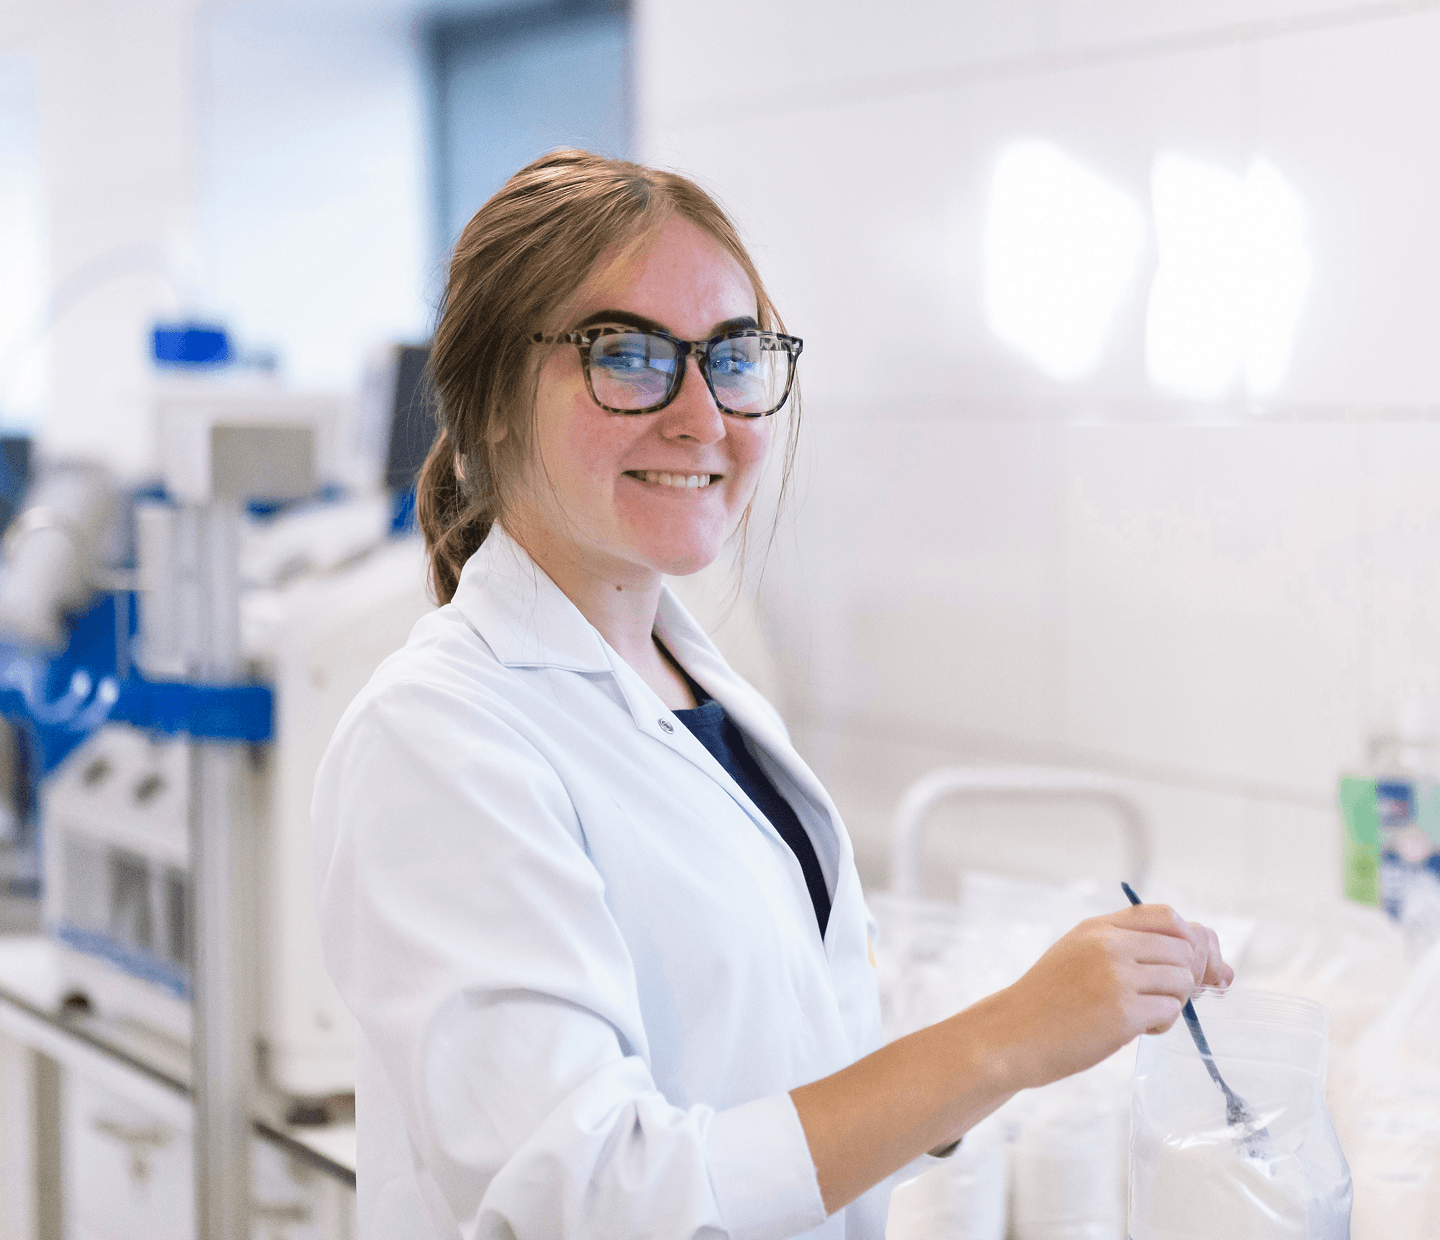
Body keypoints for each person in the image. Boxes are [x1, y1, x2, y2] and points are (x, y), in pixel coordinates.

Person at [311, 149, 1233, 1240]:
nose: (702, 415)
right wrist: (1003, 1036)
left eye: (732, 357)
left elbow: (778, 1078)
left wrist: (1037, 1024)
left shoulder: (705, 694)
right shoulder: (437, 738)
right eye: (628, 355)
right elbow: (591, 1198)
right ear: (494, 403)